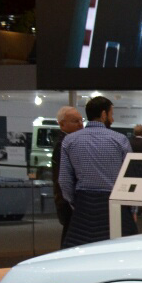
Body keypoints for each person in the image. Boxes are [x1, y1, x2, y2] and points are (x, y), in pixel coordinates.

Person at [58, 95, 133, 247]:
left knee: (81, 254)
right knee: (121, 251)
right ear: (104, 114)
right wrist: (132, 208)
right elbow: (129, 176)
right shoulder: (120, 140)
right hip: (116, 204)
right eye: (111, 114)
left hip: (84, 208)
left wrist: (75, 202)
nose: (112, 119)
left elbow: (64, 180)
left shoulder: (70, 141)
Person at [50, 105, 84, 249]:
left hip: (68, 200)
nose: (80, 124)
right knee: (71, 239)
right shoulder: (64, 144)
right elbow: (62, 179)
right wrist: (70, 202)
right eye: (75, 121)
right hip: (68, 201)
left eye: (81, 120)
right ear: (62, 124)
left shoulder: (68, 142)